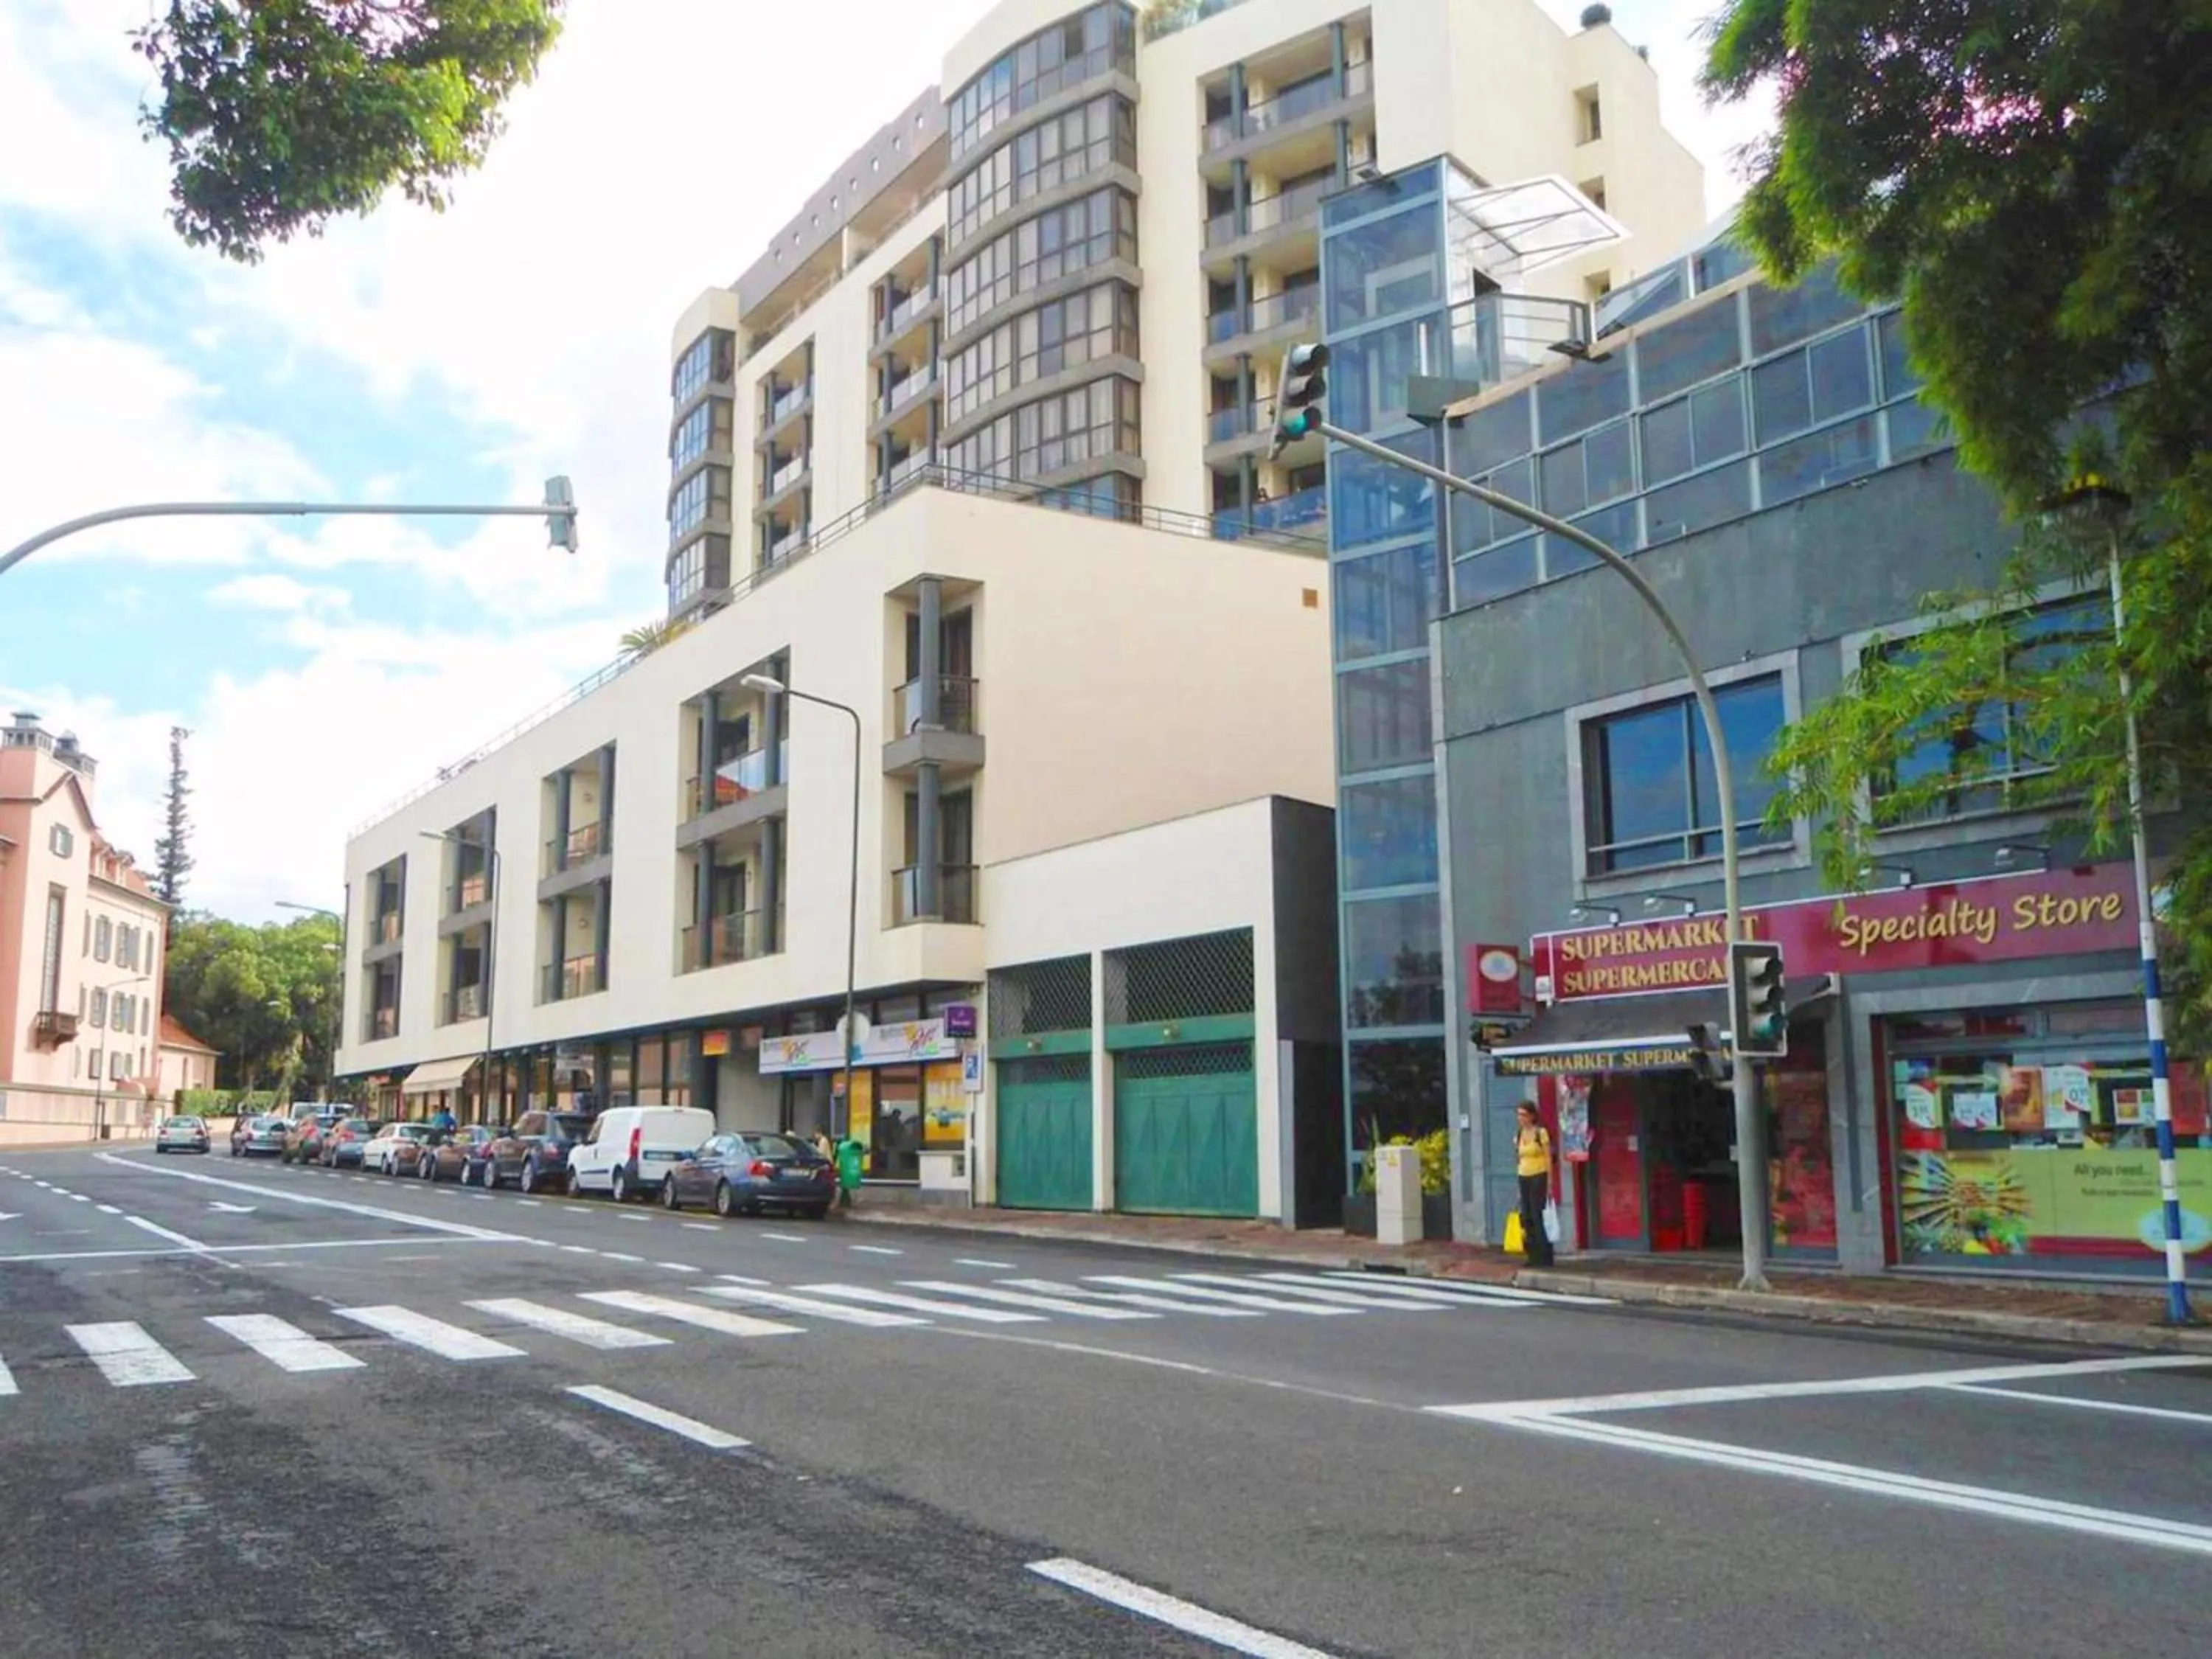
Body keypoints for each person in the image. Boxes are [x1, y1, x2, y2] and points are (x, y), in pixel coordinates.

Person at [1515, 1102, 1555, 1267]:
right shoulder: (1519, 1134)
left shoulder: (1541, 1133)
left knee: (1537, 1214)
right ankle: (1532, 1255)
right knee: (1527, 1217)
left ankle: (1545, 1255)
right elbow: (1518, 1157)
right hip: (1523, 1175)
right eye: (1519, 1115)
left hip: (1539, 1176)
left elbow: (1548, 1158)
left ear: (1532, 1116)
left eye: (1524, 1115)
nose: (1521, 1119)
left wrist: (1550, 1182)